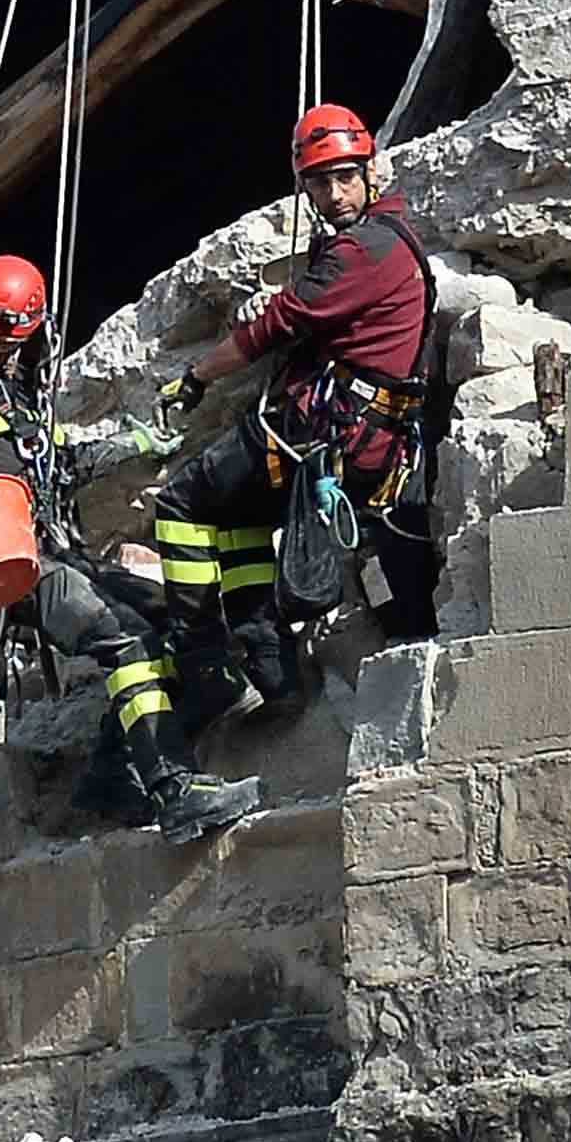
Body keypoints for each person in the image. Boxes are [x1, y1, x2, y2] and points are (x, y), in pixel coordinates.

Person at [0, 254, 259, 840]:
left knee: (178, 621)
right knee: (123, 637)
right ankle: (173, 789)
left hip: (46, 554)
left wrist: (134, 446)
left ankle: (114, 776)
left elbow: (57, 466)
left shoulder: (23, 393)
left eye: (1, 341)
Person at [145, 104, 446, 729]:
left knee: (182, 502)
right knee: (239, 516)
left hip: (325, 436)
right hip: (359, 437)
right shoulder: (389, 237)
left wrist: (197, 377)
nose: (333, 195)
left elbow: (277, 324)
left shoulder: (362, 251)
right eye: (319, 182)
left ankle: (204, 663)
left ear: (370, 173)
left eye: (344, 178)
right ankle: (270, 667)